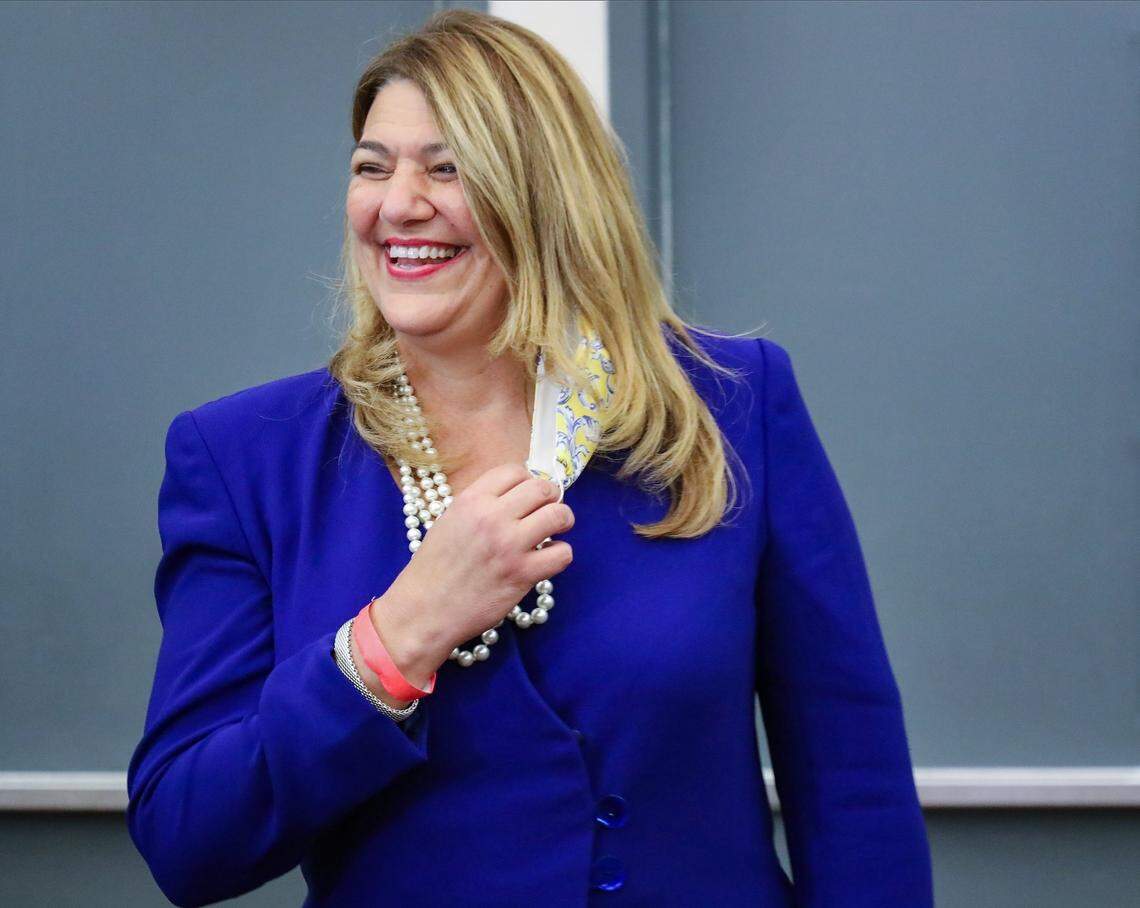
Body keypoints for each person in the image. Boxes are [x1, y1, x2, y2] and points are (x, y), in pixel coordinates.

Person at [126, 9, 933, 907]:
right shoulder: (244, 458)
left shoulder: (733, 404)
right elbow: (188, 837)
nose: (398, 204)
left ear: (546, 190)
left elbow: (852, 780)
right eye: (371, 167)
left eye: (447, 167)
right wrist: (396, 637)